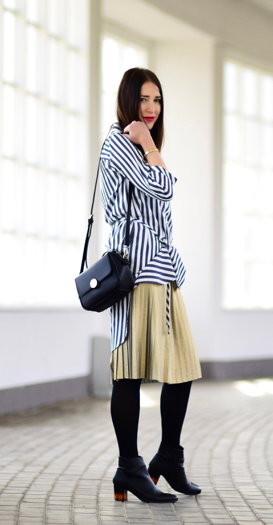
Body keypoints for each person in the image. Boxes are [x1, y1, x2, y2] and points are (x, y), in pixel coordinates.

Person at [99, 68, 203, 504]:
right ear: (128, 100)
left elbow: (162, 190)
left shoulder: (140, 146)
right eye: (144, 99)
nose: (152, 108)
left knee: (181, 369)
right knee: (131, 372)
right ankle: (128, 467)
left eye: (157, 100)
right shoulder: (120, 144)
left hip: (162, 271)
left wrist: (149, 146)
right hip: (135, 272)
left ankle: (168, 459)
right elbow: (164, 187)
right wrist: (148, 142)